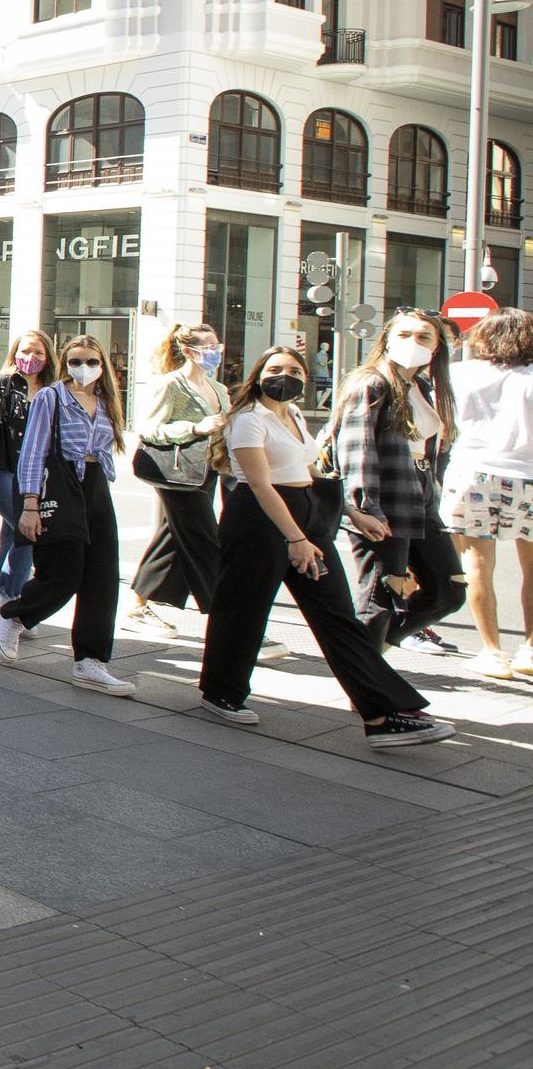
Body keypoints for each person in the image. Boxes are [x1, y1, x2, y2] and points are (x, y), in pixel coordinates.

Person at [194, 345, 453, 747]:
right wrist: (295, 538)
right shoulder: (247, 419)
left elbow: (310, 471)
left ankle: (382, 713)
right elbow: (260, 484)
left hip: (305, 512)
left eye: (294, 369)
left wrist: (353, 512)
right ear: (259, 375)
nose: (286, 375)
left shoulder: (294, 415)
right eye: (275, 368)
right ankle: (222, 692)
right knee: (243, 608)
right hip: (259, 518)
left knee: (337, 615)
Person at [0, 335, 135, 695]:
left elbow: (103, 451)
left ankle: (91, 660)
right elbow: (33, 452)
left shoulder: (106, 400)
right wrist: (29, 504)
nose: (83, 368)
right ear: (65, 363)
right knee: (65, 572)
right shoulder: (50, 397)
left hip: (95, 488)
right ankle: (15, 614)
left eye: (91, 360)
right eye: (75, 361)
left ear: (103, 364)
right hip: (61, 485)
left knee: (102, 576)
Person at [330, 310, 466, 655]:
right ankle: (368, 684)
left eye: (424, 338)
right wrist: (364, 508)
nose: (413, 343)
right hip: (384, 500)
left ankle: (374, 663)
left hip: (419, 497)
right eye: (404, 335)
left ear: (437, 348)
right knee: (381, 598)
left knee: (448, 590)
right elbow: (356, 449)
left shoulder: (419, 386)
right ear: (387, 339)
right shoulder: (371, 382)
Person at [440, 308, 533, 679]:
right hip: (529, 475)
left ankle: (492, 652)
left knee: (478, 565)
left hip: (473, 473)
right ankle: (530, 648)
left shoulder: (459, 374)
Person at [125, 323, 230, 639]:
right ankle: (228, 617)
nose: (215, 352)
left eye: (217, 346)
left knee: (172, 537)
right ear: (188, 351)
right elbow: (148, 429)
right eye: (208, 346)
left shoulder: (219, 389)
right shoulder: (170, 384)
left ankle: (136, 606)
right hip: (175, 473)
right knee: (205, 540)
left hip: (206, 471)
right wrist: (195, 428)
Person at [0, 329, 56, 614]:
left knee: (12, 535)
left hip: (36, 475)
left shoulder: (53, 389)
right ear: (15, 352)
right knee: (28, 529)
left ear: (48, 356)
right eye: (25, 350)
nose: (31, 357)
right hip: (2, 469)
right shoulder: (0, 382)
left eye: (38, 352)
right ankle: (10, 597)